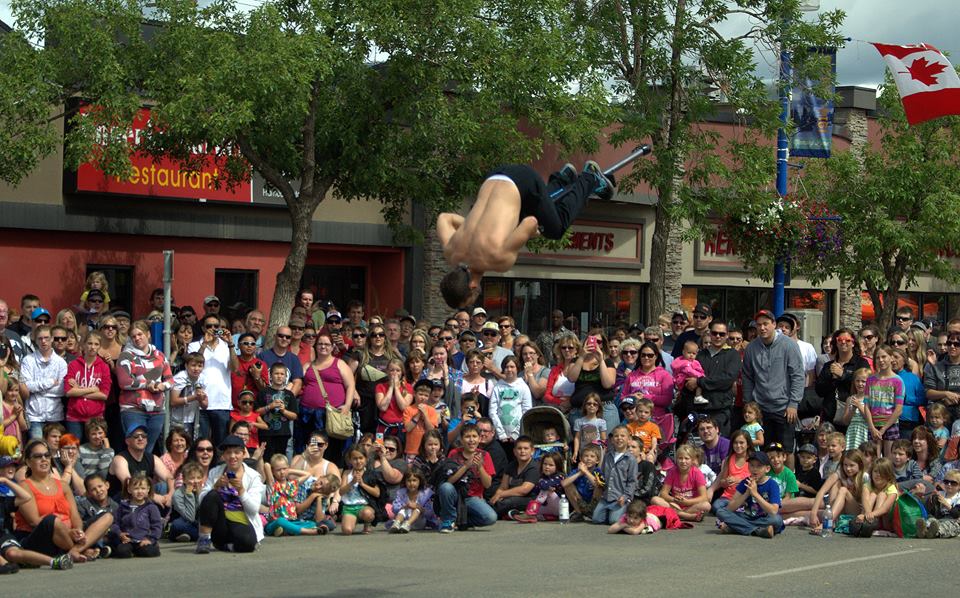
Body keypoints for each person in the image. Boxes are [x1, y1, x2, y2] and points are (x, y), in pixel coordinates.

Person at [437, 161, 615, 308]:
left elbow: (530, 223)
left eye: (470, 301)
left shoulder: (497, 259)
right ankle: (563, 179)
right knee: (533, 213)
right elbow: (445, 218)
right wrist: (473, 228)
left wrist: (533, 233)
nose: (473, 303)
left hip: (524, 182)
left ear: (473, 286)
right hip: (494, 176)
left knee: (555, 229)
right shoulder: (452, 251)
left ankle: (589, 178)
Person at [13, 439, 113, 563]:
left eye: (47, 455)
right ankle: (80, 550)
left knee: (107, 516)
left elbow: (75, 516)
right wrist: (68, 532)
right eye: (38, 456)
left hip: (68, 535)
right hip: (38, 538)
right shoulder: (24, 486)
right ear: (28, 462)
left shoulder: (63, 485)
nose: (44, 459)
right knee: (52, 520)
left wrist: (78, 531)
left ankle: (74, 551)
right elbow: (34, 521)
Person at [741, 310, 804, 468]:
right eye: (759, 325)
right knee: (763, 449)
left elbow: (797, 375)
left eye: (766, 324)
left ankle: (790, 488)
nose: (762, 328)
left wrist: (793, 404)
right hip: (760, 408)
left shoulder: (789, 345)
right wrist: (750, 403)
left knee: (786, 450)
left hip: (784, 408)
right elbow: (747, 376)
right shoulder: (751, 348)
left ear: (774, 325)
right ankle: (764, 483)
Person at [195, 435, 265, 554]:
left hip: (241, 519)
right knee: (211, 494)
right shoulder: (215, 472)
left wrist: (241, 490)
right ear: (224, 456)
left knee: (248, 544)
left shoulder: (253, 477)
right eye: (228, 453)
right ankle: (204, 539)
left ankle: (225, 546)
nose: (232, 456)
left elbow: (253, 510)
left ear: (243, 454)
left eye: (237, 452)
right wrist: (216, 486)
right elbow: (202, 501)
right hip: (220, 522)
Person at [116, 321, 174, 455]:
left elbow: (170, 380)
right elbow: (124, 382)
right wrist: (147, 384)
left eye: (140, 334)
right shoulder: (126, 356)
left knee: (148, 449)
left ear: (148, 334)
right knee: (135, 449)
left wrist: (161, 386)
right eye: (133, 336)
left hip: (157, 411)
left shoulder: (159, 355)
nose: (137, 338)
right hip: (133, 409)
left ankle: (144, 475)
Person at [683, 321, 741, 436]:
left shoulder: (732, 355)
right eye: (715, 333)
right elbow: (688, 377)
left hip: (721, 411)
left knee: (720, 450)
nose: (718, 336)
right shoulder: (700, 355)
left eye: (722, 334)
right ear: (710, 334)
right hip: (699, 410)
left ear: (727, 335)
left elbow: (727, 380)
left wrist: (700, 382)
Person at [436, 424, 497, 533]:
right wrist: (466, 466)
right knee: (445, 487)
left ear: (479, 438)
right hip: (456, 494)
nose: (471, 440)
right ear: (462, 439)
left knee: (491, 517)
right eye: (467, 437)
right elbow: (449, 481)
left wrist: (480, 467)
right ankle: (448, 520)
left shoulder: (485, 455)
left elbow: (487, 484)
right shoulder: (454, 453)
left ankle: (462, 521)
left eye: (474, 436)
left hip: (472, 497)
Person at [715, 451, 782, 538]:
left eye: (759, 466)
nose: (754, 469)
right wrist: (746, 493)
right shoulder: (745, 482)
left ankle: (737, 528)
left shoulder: (772, 484)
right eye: (752, 465)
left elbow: (773, 510)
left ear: (767, 469)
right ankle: (756, 531)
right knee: (721, 512)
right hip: (747, 516)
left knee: (777, 519)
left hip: (764, 519)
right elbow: (730, 507)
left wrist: (755, 494)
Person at [107, 423, 174, 508]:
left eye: (143, 436)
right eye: (136, 436)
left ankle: (159, 517)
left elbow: (170, 477)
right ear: (127, 441)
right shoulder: (120, 459)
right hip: (122, 498)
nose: (140, 438)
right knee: (135, 493)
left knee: (163, 487)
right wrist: (154, 497)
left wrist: (170, 495)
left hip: (143, 495)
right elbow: (129, 484)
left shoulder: (152, 458)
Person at [21, 325, 68, 440]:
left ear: (52, 338)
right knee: (37, 448)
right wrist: (50, 382)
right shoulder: (28, 360)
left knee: (55, 450)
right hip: (34, 416)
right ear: (35, 340)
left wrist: (36, 389)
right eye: (40, 338)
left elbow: (62, 390)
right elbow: (26, 386)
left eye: (46, 338)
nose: (43, 341)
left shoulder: (61, 362)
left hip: (55, 414)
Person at [63, 331, 112, 441]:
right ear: (83, 345)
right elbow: (68, 392)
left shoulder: (104, 366)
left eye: (96, 344)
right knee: (73, 446)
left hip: (96, 416)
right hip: (74, 416)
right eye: (89, 343)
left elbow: (104, 395)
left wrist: (78, 390)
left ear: (100, 346)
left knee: (95, 448)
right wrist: (93, 389)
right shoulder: (73, 365)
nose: (92, 347)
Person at [809, 449, 866, 533]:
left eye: (852, 465)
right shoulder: (840, 473)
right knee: (835, 483)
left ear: (860, 465)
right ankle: (833, 520)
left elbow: (867, 500)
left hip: (858, 511)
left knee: (843, 490)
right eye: (845, 465)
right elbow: (822, 491)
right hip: (840, 510)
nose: (848, 468)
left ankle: (830, 522)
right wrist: (813, 513)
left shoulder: (865, 477)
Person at [651, 443, 710, 521]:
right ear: (676, 459)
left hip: (691, 505)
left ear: (692, 460)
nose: (683, 461)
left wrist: (687, 502)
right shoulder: (672, 472)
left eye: (686, 458)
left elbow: (704, 497)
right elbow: (663, 494)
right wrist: (674, 499)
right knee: (655, 499)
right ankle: (685, 516)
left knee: (707, 505)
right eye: (680, 458)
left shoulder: (697, 473)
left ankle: (676, 514)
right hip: (675, 504)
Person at [864, 345, 904, 456]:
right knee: (873, 459)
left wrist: (883, 429)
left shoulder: (898, 381)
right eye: (878, 357)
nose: (881, 360)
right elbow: (866, 405)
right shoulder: (870, 380)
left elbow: (899, 409)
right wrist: (871, 427)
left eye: (884, 357)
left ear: (891, 358)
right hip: (873, 424)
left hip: (890, 424)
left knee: (889, 461)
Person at [109, 473, 162, 558]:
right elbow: (115, 523)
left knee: (149, 552)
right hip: (128, 540)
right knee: (121, 552)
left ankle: (150, 547)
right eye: (136, 488)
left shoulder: (151, 507)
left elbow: (157, 526)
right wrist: (120, 534)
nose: (140, 491)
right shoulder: (123, 507)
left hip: (143, 540)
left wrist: (150, 539)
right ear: (129, 489)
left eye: (143, 488)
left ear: (148, 489)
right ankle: (130, 551)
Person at [592, 426, 637, 525]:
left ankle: (625, 510)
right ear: (612, 440)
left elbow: (632, 481)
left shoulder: (630, 459)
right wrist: (599, 481)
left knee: (614, 521)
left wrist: (625, 496)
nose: (619, 438)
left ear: (629, 440)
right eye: (616, 436)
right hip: (606, 497)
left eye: (622, 436)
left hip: (620, 498)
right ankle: (610, 511)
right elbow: (602, 474)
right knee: (596, 519)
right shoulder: (608, 456)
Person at [488, 436, 539, 520]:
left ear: (532, 451)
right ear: (514, 451)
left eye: (526, 448)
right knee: (494, 499)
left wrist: (501, 494)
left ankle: (485, 516)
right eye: (519, 448)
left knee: (509, 502)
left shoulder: (534, 467)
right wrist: (496, 496)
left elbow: (524, 490)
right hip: (511, 496)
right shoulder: (511, 465)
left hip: (530, 499)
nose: (522, 451)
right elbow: (503, 487)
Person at [489, 356, 532, 450]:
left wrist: (515, 434)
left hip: (518, 436)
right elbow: (492, 411)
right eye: (506, 367)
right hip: (500, 437)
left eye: (512, 367)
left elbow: (527, 411)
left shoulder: (523, 387)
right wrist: (501, 433)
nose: (509, 369)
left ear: (517, 368)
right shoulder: (498, 387)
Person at [256, 363, 298, 460]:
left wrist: (283, 410)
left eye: (282, 374)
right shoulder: (263, 392)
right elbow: (257, 412)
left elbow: (294, 416)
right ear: (270, 376)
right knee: (266, 459)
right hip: (266, 433)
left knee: (280, 459)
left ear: (286, 376)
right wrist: (269, 406)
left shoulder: (290, 394)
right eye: (276, 374)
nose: (279, 376)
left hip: (283, 433)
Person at [339, 448, 383, 535]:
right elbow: (341, 492)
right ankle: (352, 520)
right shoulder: (347, 473)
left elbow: (377, 493)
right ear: (350, 460)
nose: (358, 461)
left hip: (364, 506)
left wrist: (362, 484)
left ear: (366, 459)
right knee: (347, 531)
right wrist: (352, 482)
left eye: (361, 458)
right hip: (349, 507)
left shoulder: (371, 474)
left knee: (368, 514)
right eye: (355, 459)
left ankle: (367, 523)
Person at [709, 430, 752, 507]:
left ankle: (731, 511)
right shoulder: (728, 459)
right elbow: (722, 482)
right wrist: (727, 482)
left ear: (748, 444)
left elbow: (757, 479)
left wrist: (738, 480)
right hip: (727, 497)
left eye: (741, 443)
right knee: (716, 506)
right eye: (735, 443)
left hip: (745, 497)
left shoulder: (753, 459)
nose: (738, 445)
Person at [561, 444, 603, 522]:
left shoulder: (598, 471)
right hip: (580, 502)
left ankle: (592, 512)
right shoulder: (576, 471)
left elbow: (598, 485)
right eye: (586, 456)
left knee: (600, 486)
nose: (588, 459)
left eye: (592, 456)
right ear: (581, 458)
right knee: (568, 485)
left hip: (593, 502)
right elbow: (563, 484)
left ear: (597, 460)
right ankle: (579, 513)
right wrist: (580, 473)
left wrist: (586, 472)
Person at [230, 332, 268, 409]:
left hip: (253, 407)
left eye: (253, 344)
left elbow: (264, 390)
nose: (249, 346)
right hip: (232, 407)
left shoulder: (261, 364)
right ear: (238, 345)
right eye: (246, 343)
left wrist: (257, 377)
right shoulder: (232, 361)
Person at [170, 461, 206, 542]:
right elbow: (190, 517)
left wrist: (200, 494)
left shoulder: (203, 490)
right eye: (192, 478)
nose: (196, 481)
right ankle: (194, 535)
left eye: (198, 477)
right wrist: (189, 495)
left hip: (197, 523)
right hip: (183, 521)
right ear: (184, 480)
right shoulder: (178, 494)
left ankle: (188, 535)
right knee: (177, 525)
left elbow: (205, 512)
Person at [841, 368, 872, 450]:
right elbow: (845, 421)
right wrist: (853, 409)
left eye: (863, 381)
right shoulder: (850, 399)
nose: (860, 384)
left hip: (865, 431)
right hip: (853, 431)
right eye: (857, 381)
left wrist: (859, 406)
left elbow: (870, 419)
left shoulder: (871, 398)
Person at [573, 393, 607, 461]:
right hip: (584, 452)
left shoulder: (601, 422)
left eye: (595, 404)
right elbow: (577, 438)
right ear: (585, 406)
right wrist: (575, 452)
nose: (591, 405)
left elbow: (603, 439)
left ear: (598, 407)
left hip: (596, 453)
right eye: (589, 403)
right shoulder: (579, 421)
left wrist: (603, 453)